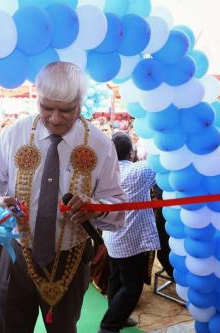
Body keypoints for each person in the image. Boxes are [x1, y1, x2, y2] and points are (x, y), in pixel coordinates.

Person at [0, 62, 125, 333]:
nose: (55, 118)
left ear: (80, 103)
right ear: (37, 99)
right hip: (18, 255)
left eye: (66, 110)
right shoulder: (16, 133)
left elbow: (118, 210)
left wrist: (96, 208)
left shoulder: (101, 145)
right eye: (46, 108)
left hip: (71, 260)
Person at [99, 132, 159, 333]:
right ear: (131, 152)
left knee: (116, 279)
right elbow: (160, 159)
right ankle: (109, 326)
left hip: (112, 237)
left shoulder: (104, 173)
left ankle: (119, 317)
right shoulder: (139, 171)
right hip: (130, 241)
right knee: (131, 287)